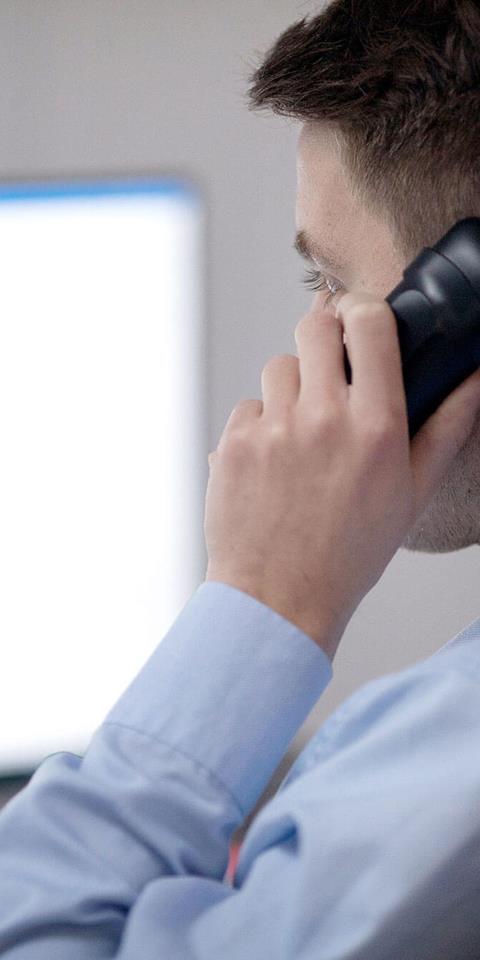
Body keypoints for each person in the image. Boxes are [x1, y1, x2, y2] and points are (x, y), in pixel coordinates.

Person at [2, 1, 480, 956]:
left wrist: (261, 600)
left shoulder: (448, 774)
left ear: (455, 312)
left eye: (331, 283)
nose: (304, 358)